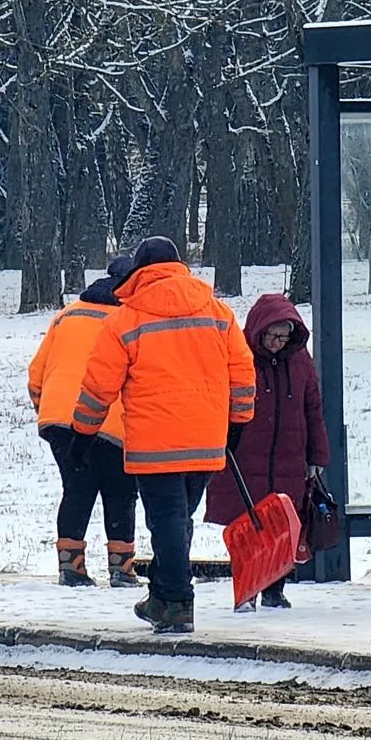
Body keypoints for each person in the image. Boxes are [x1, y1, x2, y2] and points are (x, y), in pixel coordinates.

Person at [73, 236, 255, 634]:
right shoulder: (218, 312)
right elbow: (242, 373)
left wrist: (82, 433)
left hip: (155, 445)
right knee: (177, 520)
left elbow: (99, 384)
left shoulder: (127, 320)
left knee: (168, 521)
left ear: (140, 271)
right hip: (206, 441)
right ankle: (160, 595)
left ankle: (177, 602)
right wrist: (238, 422)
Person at [204, 294, 328, 611]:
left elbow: (312, 408)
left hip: (288, 457)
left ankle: (275, 589)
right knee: (246, 529)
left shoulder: (300, 360)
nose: (277, 343)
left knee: (283, 528)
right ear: (259, 330)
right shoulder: (238, 355)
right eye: (272, 336)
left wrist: (317, 456)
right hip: (243, 457)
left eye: (284, 337)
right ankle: (246, 589)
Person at [28, 255, 140, 588]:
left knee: (76, 490)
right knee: (120, 493)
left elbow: (36, 374)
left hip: (58, 418)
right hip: (110, 419)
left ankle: (71, 567)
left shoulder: (67, 315)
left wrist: (47, 409)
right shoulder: (128, 319)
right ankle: (122, 569)